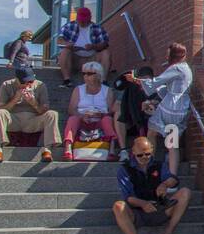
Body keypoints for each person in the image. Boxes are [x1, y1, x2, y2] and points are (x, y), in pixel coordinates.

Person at [112, 136, 192, 234]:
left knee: (185, 192)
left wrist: (165, 184)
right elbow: (127, 196)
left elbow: (174, 179)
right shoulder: (125, 169)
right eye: (140, 155)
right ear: (133, 152)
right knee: (118, 206)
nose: (144, 158)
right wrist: (143, 204)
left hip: (159, 207)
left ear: (152, 150)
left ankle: (168, 232)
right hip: (137, 212)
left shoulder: (159, 165)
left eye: (148, 154)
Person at [124, 42, 192, 176]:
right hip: (182, 108)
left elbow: (155, 83)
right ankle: (173, 177)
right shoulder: (186, 69)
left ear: (173, 54)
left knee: (151, 130)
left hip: (171, 108)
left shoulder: (176, 68)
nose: (166, 55)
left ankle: (149, 166)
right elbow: (169, 90)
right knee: (172, 144)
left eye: (168, 53)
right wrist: (154, 101)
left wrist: (135, 80)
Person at [0, 66, 60, 163]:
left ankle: (47, 150)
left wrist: (34, 103)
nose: (27, 84)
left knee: (52, 114)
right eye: (24, 82)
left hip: (33, 120)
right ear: (16, 80)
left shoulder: (40, 85)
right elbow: (1, 108)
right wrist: (15, 99)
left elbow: (44, 110)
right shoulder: (7, 85)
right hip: (13, 120)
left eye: (30, 81)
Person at [62, 61, 118, 161]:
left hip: (100, 120)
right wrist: (82, 116)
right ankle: (68, 148)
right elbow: (71, 109)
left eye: (89, 74)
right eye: (84, 74)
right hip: (82, 119)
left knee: (108, 120)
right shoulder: (78, 89)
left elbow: (110, 111)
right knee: (72, 119)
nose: (86, 76)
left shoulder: (107, 91)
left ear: (98, 75)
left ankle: (112, 150)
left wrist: (101, 114)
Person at [57, 7, 111, 87]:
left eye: (84, 20)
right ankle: (67, 80)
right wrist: (68, 44)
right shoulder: (69, 26)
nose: (81, 22)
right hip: (74, 59)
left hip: (92, 59)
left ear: (89, 19)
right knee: (65, 51)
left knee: (106, 53)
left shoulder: (97, 28)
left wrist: (93, 46)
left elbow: (105, 44)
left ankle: (103, 81)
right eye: (80, 20)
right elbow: (59, 40)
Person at [112, 65, 154, 161]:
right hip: (131, 122)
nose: (143, 83)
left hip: (149, 120)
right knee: (118, 113)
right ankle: (123, 150)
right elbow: (113, 107)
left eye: (147, 81)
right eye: (142, 80)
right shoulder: (130, 88)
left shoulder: (156, 88)